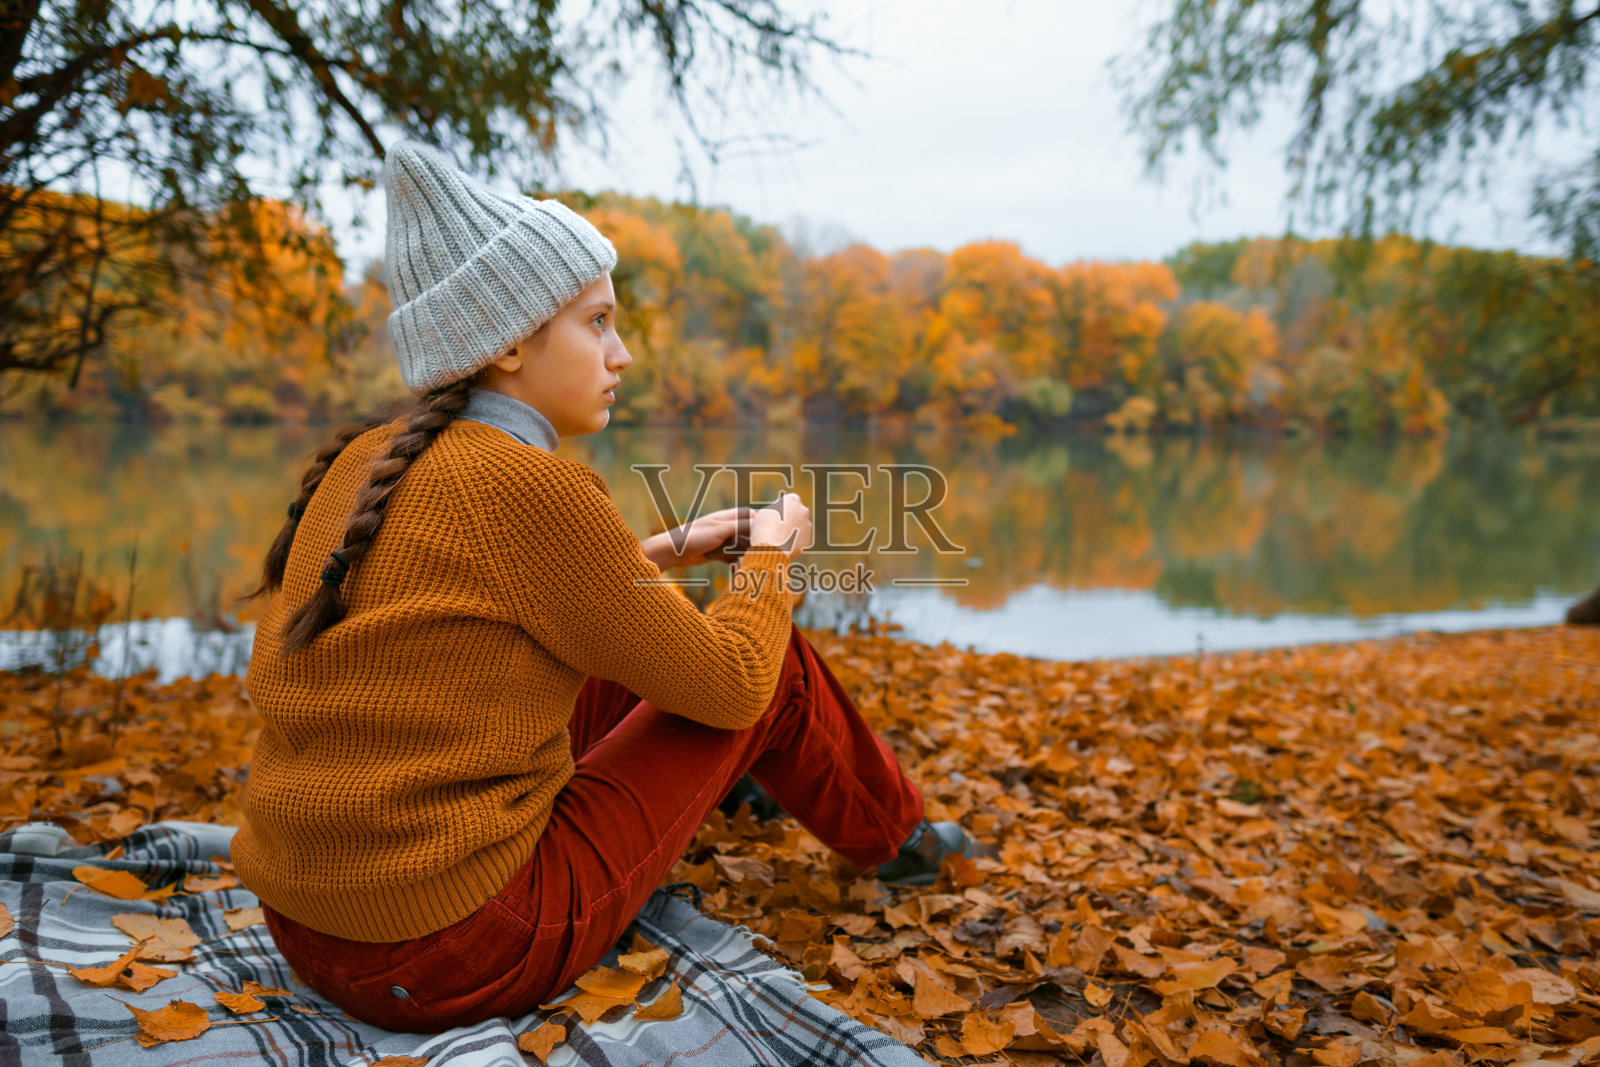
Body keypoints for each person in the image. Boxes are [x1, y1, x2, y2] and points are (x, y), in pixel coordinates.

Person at [233, 140, 972, 1034]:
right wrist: (773, 558)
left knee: (666, 654)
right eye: (597, 323)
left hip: (311, 930)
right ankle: (902, 842)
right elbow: (736, 678)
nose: (621, 354)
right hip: (458, 948)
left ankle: (748, 786)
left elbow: (502, 604)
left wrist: (665, 548)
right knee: (767, 672)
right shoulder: (530, 484)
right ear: (507, 338)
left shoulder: (372, 460)